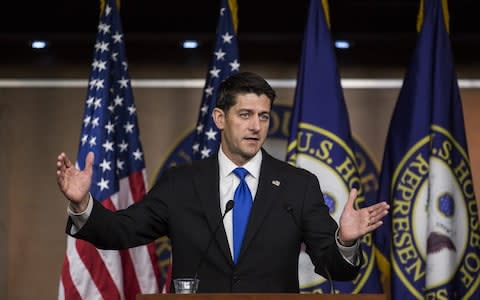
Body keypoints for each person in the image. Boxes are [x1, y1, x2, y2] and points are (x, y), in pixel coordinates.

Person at [56, 71, 389, 293]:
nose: (256, 126)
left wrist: (344, 240)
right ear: (220, 118)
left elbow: (337, 269)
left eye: (263, 116)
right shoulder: (181, 184)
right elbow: (120, 230)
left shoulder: (297, 185)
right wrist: (82, 204)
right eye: (245, 115)